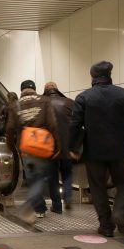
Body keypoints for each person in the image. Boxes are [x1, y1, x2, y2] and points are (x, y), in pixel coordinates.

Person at [69, 61, 124, 237]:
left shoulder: (84, 97)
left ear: (93, 77)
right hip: (119, 149)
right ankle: (119, 215)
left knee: (97, 187)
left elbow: (75, 125)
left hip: (94, 151)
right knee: (123, 183)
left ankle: (106, 226)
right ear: (110, 75)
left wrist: (72, 148)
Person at [6, 80, 60, 223]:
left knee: (32, 179)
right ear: (34, 89)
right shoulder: (45, 100)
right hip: (44, 145)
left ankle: (38, 208)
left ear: (21, 90)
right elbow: (53, 125)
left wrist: (10, 146)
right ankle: (35, 206)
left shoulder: (15, 105)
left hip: (26, 147)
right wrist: (58, 146)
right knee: (41, 178)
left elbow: (10, 129)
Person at [43, 82, 75, 212]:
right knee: (67, 172)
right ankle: (67, 197)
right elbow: (76, 124)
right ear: (57, 89)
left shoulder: (43, 103)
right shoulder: (69, 102)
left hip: (50, 145)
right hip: (67, 144)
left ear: (45, 90)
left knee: (52, 176)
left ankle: (57, 205)